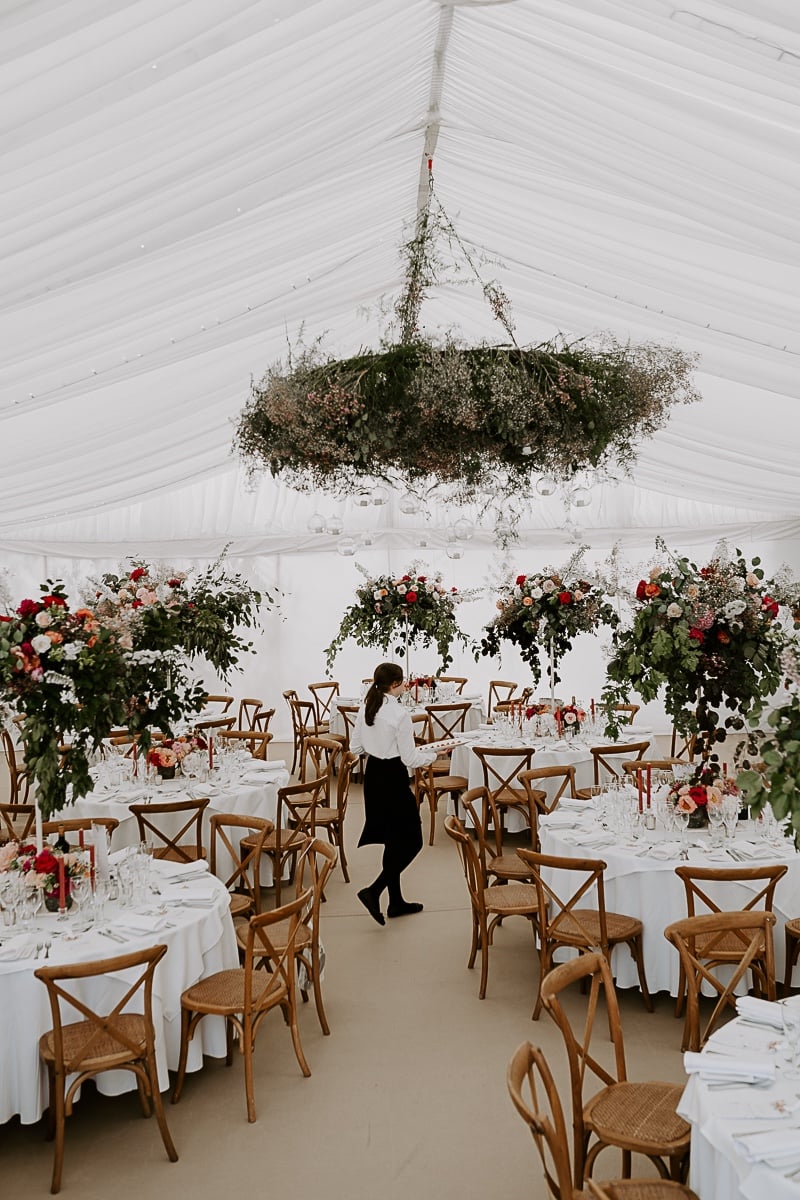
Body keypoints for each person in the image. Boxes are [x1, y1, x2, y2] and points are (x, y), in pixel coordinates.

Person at [350, 662, 438, 925]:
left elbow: (356, 746)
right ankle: (374, 891)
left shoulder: (366, 706)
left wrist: (375, 744)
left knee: (393, 838)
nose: (406, 686)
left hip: (373, 776)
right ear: (395, 685)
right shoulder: (400, 715)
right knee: (413, 841)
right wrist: (434, 755)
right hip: (393, 778)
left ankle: (396, 902)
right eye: (403, 682)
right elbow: (410, 759)